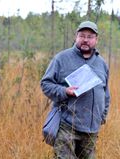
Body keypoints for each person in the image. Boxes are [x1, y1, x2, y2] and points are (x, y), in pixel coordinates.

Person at [40, 21, 110, 158]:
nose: (85, 39)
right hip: (66, 126)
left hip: (91, 130)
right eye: (82, 35)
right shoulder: (61, 58)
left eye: (90, 36)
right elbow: (45, 84)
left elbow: (105, 93)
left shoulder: (101, 63)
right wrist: (65, 91)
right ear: (76, 37)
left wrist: (102, 116)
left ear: (96, 39)